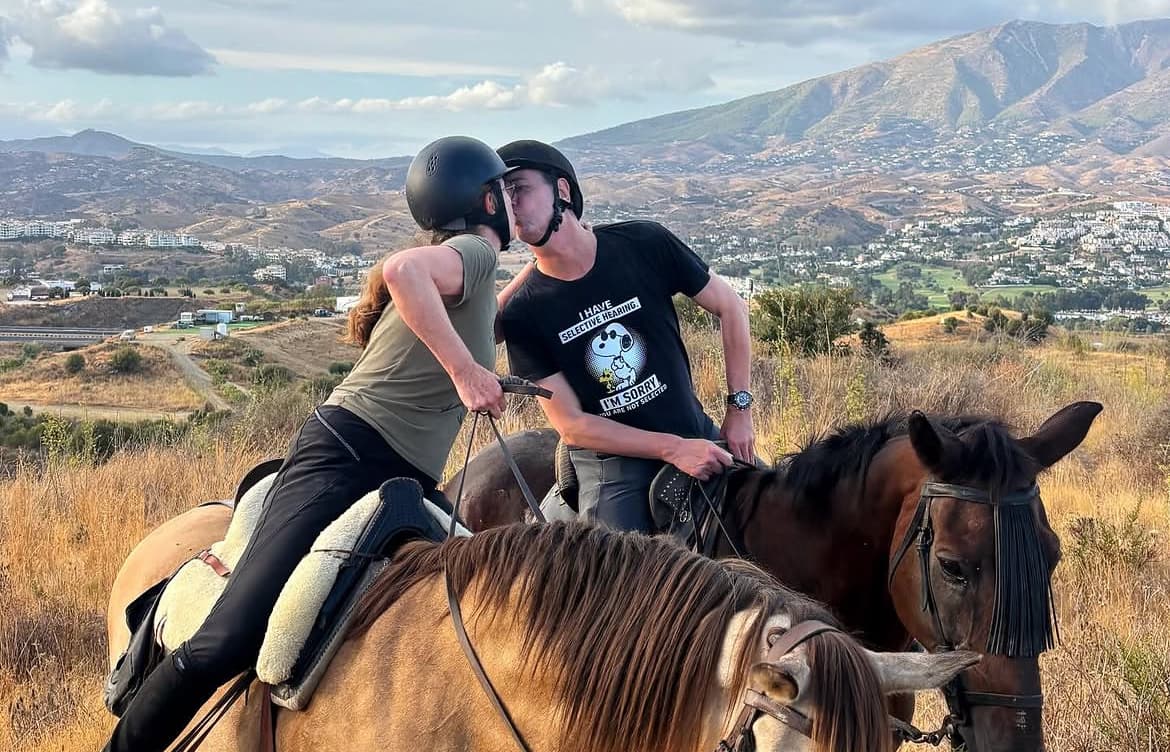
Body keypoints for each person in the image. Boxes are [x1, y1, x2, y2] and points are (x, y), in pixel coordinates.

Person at [103, 135, 512, 752]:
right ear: (486, 199)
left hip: (402, 477)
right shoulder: (475, 251)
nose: (511, 201)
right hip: (349, 455)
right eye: (506, 189)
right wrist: (465, 373)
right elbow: (402, 270)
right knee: (231, 637)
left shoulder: (477, 275)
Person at [496, 139, 755, 534]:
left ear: (562, 190)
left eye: (519, 188)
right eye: (501, 194)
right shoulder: (524, 311)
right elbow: (573, 426)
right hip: (613, 466)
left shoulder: (643, 244)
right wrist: (672, 449)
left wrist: (740, 412)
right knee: (620, 586)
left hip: (695, 430)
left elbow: (731, 307)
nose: (510, 202)